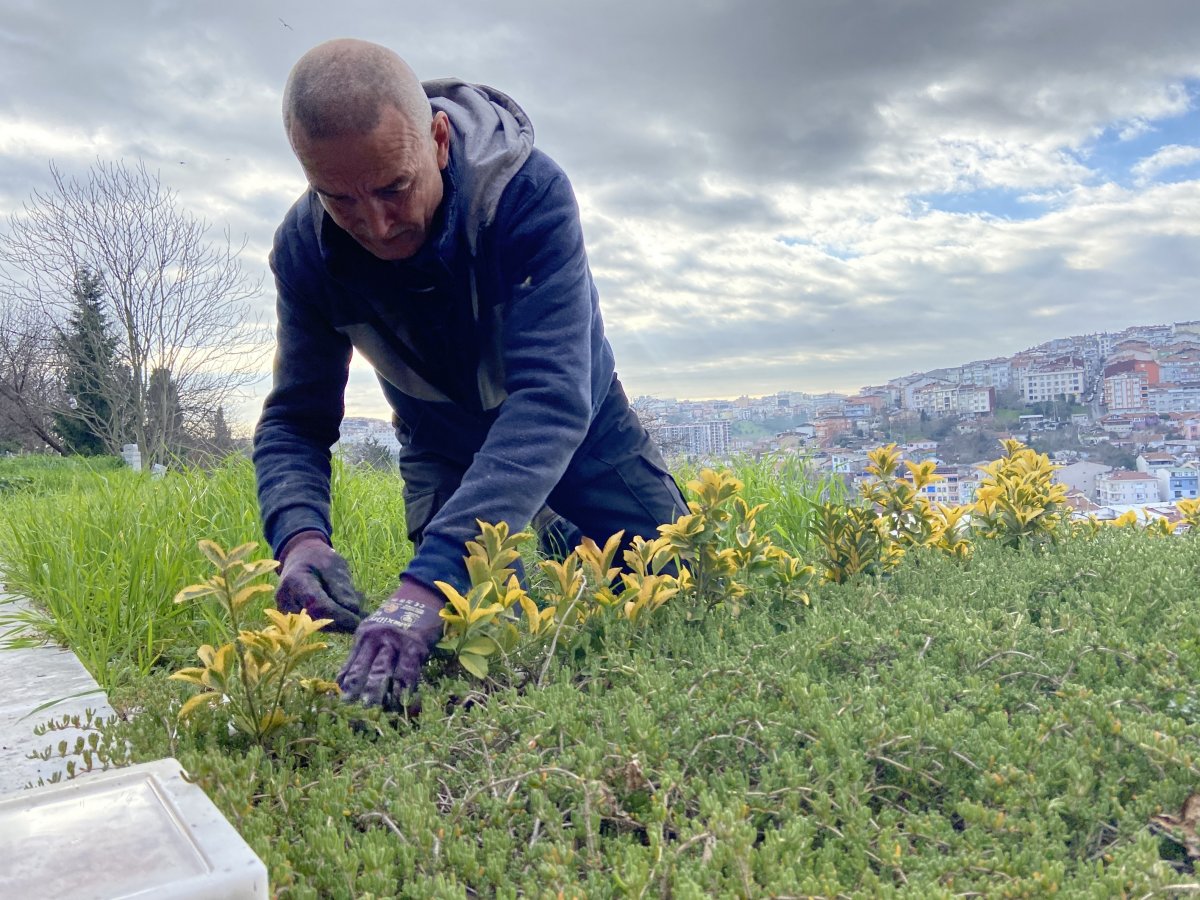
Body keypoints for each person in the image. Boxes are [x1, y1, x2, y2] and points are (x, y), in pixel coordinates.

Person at [253, 39, 687, 711]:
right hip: (442, 440)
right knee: (471, 651)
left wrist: (425, 582)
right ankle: (538, 524)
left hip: (580, 425)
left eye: (395, 187)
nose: (375, 224)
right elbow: (295, 421)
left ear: (439, 138)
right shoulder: (305, 254)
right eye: (339, 200)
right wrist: (299, 538)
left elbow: (551, 399)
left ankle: (553, 523)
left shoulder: (526, 195)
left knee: (681, 586)